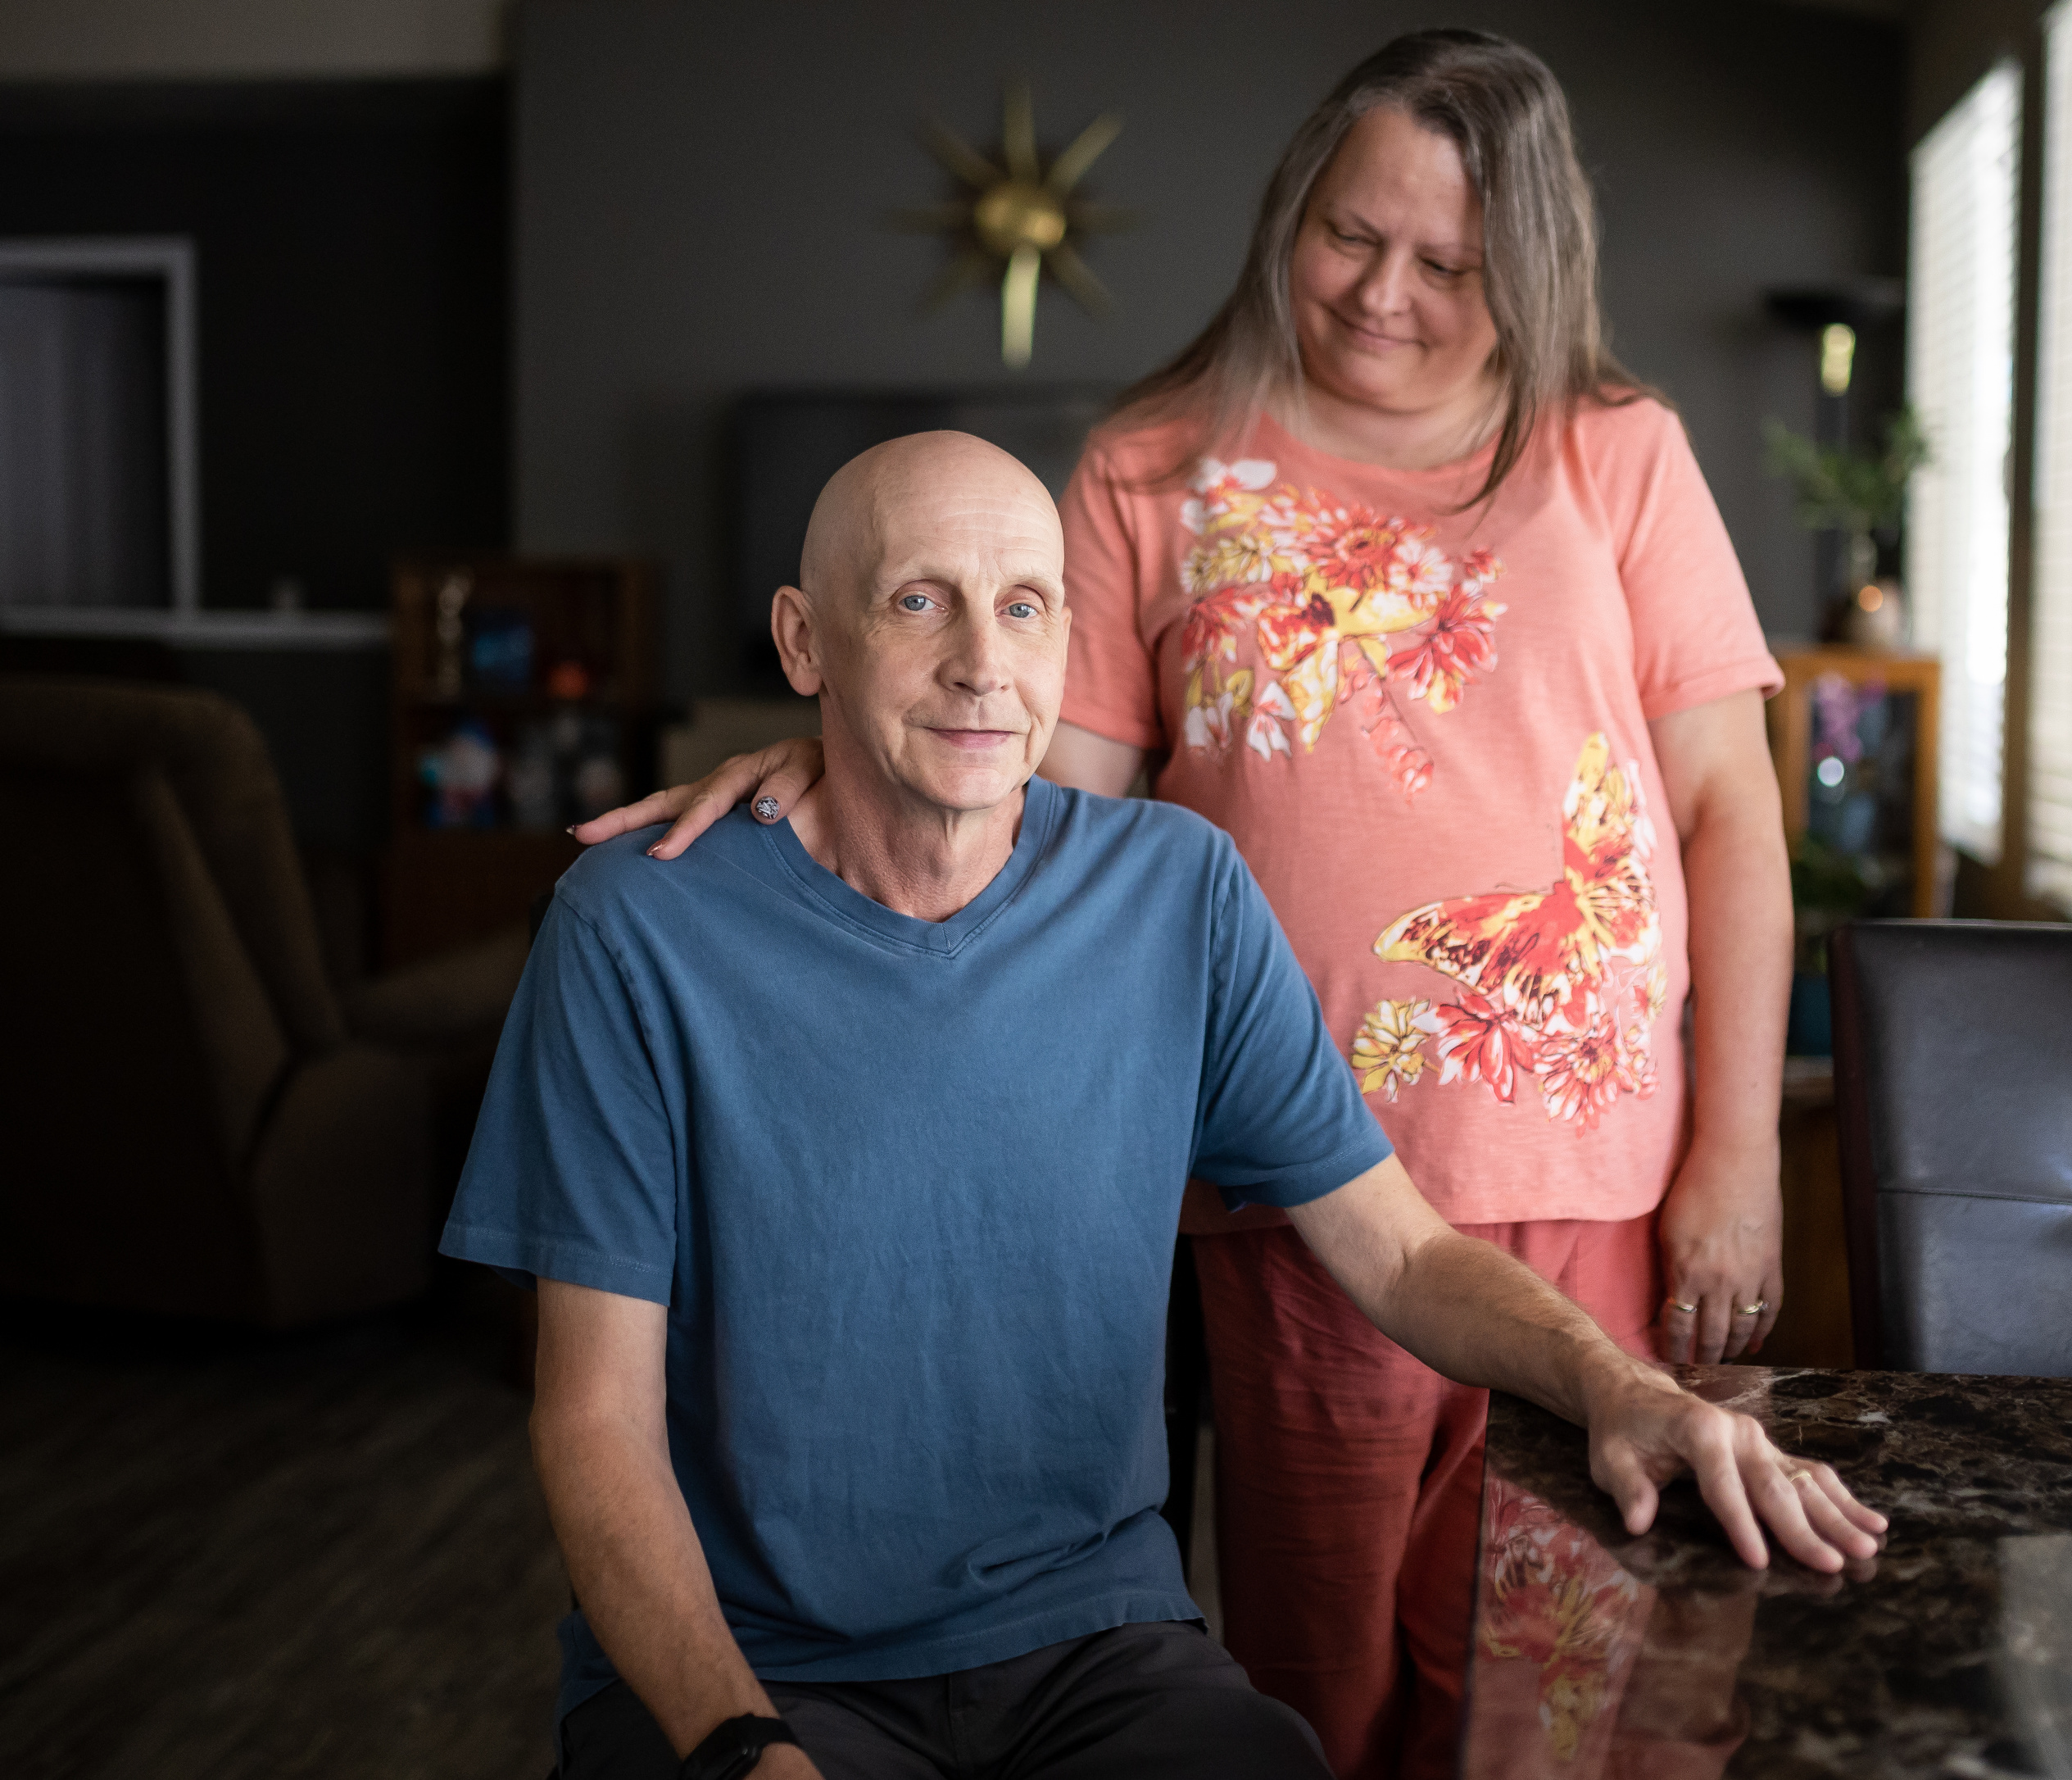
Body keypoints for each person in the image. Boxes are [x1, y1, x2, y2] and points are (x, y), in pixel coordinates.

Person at [583, 31, 1799, 1779]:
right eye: (1345, 232)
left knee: (1555, 1679)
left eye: (1448, 263)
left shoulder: (1614, 450)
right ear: (1287, 210)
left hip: (1594, 1171)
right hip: (1288, 1179)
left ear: (1524, 265)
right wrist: (822, 750)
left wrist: (1737, 1155)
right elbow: (1017, 793)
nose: (1383, 292)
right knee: (1321, 1680)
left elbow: (1725, 807)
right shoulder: (1153, 467)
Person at [461, 433, 1879, 1780]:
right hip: (752, 1666)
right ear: (802, 641)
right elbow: (593, 1423)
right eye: (917, 602)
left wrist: (1622, 1389)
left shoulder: (1176, 892)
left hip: (1090, 1649)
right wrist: (739, 1748)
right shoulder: (634, 930)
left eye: (1026, 607)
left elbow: (1399, 1250)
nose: (981, 663)